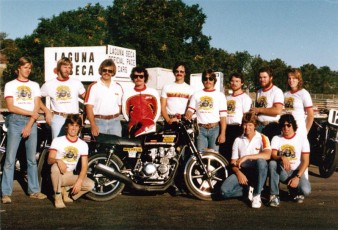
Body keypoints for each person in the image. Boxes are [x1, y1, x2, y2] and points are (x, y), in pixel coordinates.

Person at [1, 57, 47, 204]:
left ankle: (34, 190)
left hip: (31, 123)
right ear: (18, 68)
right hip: (15, 121)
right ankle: (6, 193)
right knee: (10, 159)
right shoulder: (10, 85)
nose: (28, 70)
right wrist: (29, 115)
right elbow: (11, 107)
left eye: (29, 68)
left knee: (31, 159)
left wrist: (29, 124)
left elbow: (36, 107)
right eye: (25, 67)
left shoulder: (34, 85)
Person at [220, 112, 271, 208]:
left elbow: (267, 155)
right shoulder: (238, 140)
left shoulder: (263, 137)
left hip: (257, 172)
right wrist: (239, 173)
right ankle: (249, 190)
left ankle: (257, 194)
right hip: (243, 171)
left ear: (255, 125)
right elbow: (233, 162)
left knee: (261, 161)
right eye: (245, 124)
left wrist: (246, 157)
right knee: (224, 192)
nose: (247, 128)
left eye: (250, 125)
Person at [47, 114, 94, 208]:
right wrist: (58, 161)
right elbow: (49, 160)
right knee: (55, 167)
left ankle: (66, 191)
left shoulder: (83, 144)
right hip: (58, 174)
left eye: (76, 126)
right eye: (71, 125)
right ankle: (58, 195)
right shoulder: (58, 140)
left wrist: (79, 182)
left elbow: (85, 166)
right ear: (66, 126)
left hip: (70, 175)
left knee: (90, 184)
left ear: (79, 128)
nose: (74, 128)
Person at [268, 114, 311, 207]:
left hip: (296, 172)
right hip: (283, 171)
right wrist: (282, 157)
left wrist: (297, 177)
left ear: (293, 125)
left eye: (288, 125)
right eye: (283, 125)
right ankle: (274, 195)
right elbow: (273, 155)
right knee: (272, 163)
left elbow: (306, 161)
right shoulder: (276, 138)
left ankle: (294, 191)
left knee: (306, 190)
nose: (286, 128)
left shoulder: (302, 139)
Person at [40, 57, 86, 139]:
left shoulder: (76, 83)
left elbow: (87, 99)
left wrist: (83, 114)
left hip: (74, 118)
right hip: (58, 118)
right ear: (58, 68)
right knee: (58, 145)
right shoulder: (49, 84)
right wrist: (47, 111)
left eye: (69, 68)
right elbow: (36, 99)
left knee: (73, 145)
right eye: (65, 67)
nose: (67, 70)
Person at [185, 69, 227, 152]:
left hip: (215, 129)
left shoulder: (220, 95)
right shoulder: (196, 94)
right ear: (202, 80)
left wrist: (222, 134)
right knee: (201, 154)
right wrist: (187, 116)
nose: (208, 81)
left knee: (214, 155)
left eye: (210, 78)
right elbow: (190, 111)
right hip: (200, 130)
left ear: (214, 80)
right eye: (205, 78)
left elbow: (223, 117)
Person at [85, 59, 123, 137]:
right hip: (99, 122)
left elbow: (120, 106)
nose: (107, 73)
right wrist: (93, 125)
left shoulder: (118, 86)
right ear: (101, 70)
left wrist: (112, 116)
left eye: (110, 71)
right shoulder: (93, 86)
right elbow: (89, 107)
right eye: (104, 70)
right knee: (99, 148)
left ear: (113, 72)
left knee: (116, 147)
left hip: (115, 122)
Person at [122, 67, 161, 137]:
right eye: (136, 76)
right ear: (133, 78)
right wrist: (133, 122)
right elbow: (125, 112)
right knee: (135, 147)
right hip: (134, 127)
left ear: (145, 78)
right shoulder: (127, 94)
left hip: (150, 127)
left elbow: (157, 110)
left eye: (141, 76)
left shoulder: (153, 92)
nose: (138, 78)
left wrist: (151, 122)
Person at [223, 72, 252, 160]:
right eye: (232, 81)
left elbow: (246, 117)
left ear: (242, 83)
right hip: (226, 127)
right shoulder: (227, 98)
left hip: (238, 128)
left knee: (235, 153)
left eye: (237, 81)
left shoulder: (245, 98)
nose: (234, 83)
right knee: (225, 153)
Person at [250, 67, 284, 140]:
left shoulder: (277, 91)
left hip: (272, 127)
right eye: (260, 77)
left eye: (265, 77)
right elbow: (257, 110)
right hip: (259, 126)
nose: (262, 79)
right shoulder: (259, 91)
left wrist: (259, 110)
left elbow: (277, 110)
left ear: (271, 78)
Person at [284, 68, 314, 137]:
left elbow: (311, 115)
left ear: (298, 80)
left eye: (294, 78)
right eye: (289, 78)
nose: (291, 80)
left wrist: (305, 132)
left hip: (299, 131)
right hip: (287, 130)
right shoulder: (285, 94)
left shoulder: (304, 93)